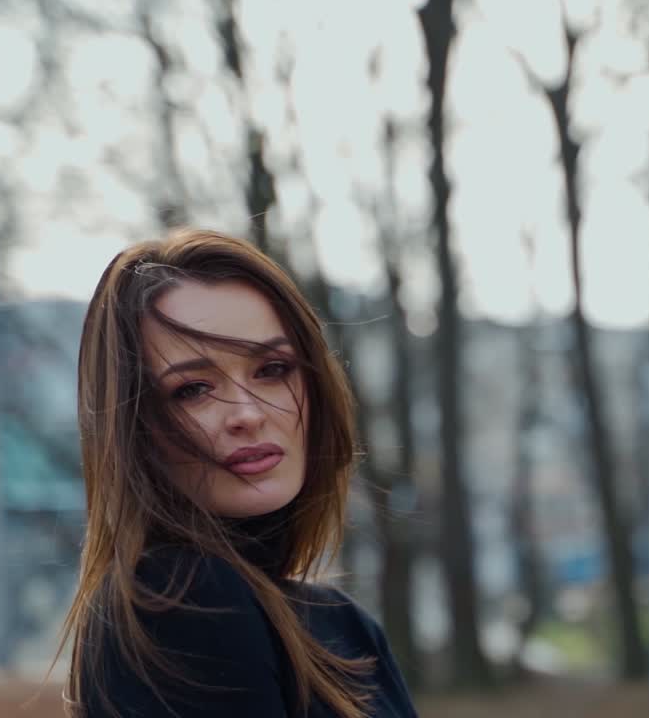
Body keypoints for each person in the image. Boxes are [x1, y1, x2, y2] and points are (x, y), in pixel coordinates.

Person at [59, 229, 418, 717]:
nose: (246, 413)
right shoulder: (176, 599)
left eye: (272, 369)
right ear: (136, 429)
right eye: (193, 389)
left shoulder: (345, 626)